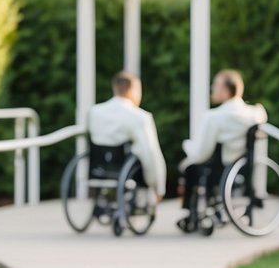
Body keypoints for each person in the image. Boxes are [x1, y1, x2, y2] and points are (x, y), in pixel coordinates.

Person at [178, 69, 267, 229]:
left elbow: (200, 154)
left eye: (215, 85)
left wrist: (187, 145)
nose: (212, 88)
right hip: (242, 167)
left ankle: (190, 215)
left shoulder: (214, 117)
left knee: (191, 168)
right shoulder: (255, 114)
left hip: (218, 169)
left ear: (225, 90)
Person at [88, 71, 166, 200]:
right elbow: (151, 152)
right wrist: (158, 186)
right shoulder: (140, 117)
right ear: (133, 89)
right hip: (127, 170)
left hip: (99, 168)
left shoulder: (94, 112)